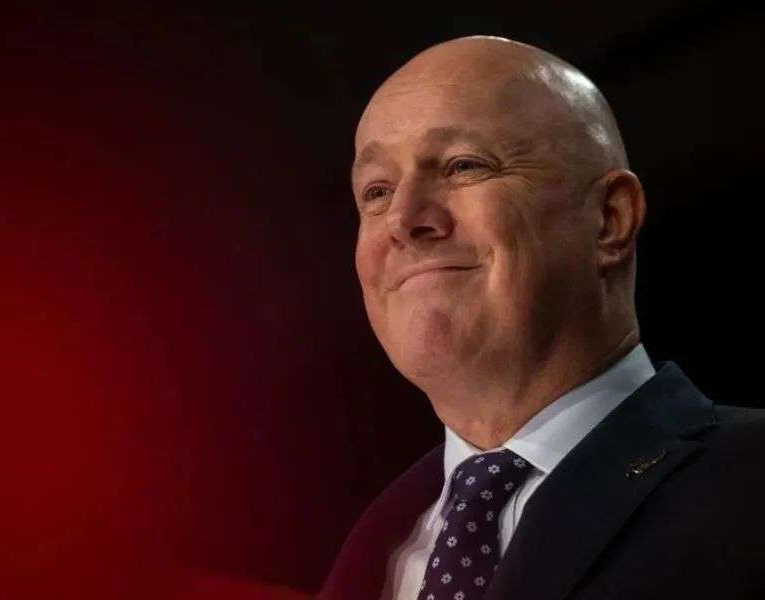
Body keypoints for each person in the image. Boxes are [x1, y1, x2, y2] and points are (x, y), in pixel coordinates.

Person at [319, 36, 765, 600]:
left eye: (462, 165)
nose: (403, 220)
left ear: (609, 219)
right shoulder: (368, 548)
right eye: (377, 191)